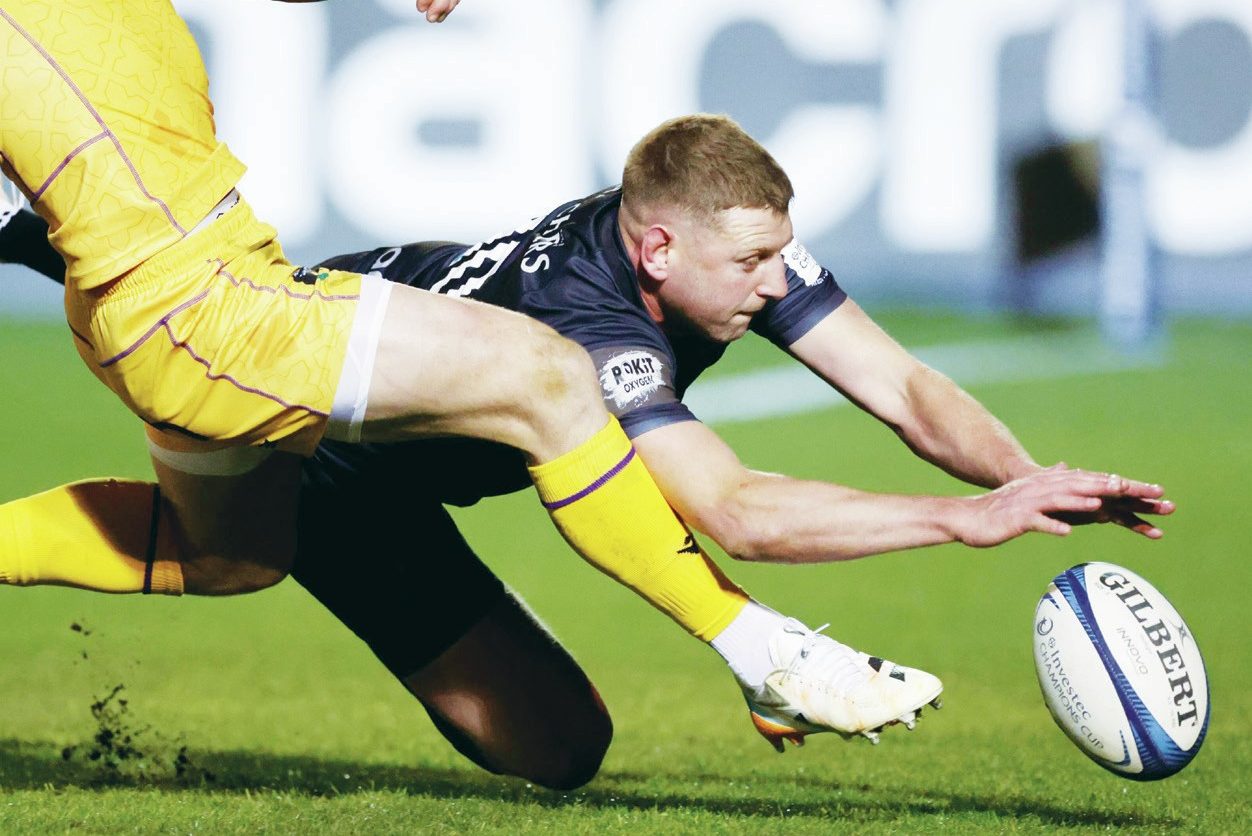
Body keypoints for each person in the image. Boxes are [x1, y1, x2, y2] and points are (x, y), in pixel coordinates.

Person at [0, 114, 1173, 787]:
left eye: (783, 257)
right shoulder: (590, 321)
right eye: (753, 265)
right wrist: (952, 518)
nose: (778, 285)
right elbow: (736, 506)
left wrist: (1019, 477)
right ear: (657, 247)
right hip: (309, 417)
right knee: (237, 556)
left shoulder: (719, 253)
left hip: (391, 465)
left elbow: (905, 384)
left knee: (564, 751)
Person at [0, 0, 805, 754]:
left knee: (239, 562)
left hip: (244, 347)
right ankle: (760, 648)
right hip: (204, 320)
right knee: (544, 374)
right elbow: (732, 509)